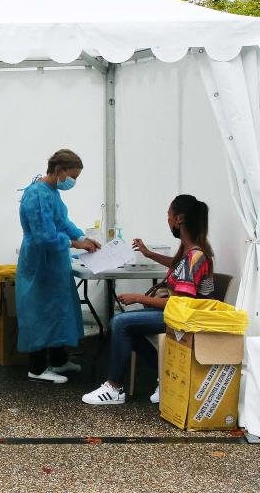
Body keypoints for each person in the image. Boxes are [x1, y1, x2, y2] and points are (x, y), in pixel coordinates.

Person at [82, 194, 215, 406]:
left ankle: (115, 388)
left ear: (179, 219)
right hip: (182, 313)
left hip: (187, 318)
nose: (168, 220)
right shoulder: (191, 251)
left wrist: (138, 297)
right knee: (126, 327)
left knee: (120, 323)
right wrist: (148, 253)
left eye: (169, 215)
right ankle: (165, 375)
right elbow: (175, 265)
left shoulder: (194, 256)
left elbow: (179, 305)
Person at [17, 149, 101, 383]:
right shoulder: (36, 195)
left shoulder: (52, 192)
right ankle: (36, 368)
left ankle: (58, 360)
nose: (73, 181)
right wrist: (76, 243)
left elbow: (62, 222)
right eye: (73, 176)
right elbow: (45, 236)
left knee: (58, 310)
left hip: (54, 262)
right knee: (40, 312)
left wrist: (83, 238)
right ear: (58, 171)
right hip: (39, 261)